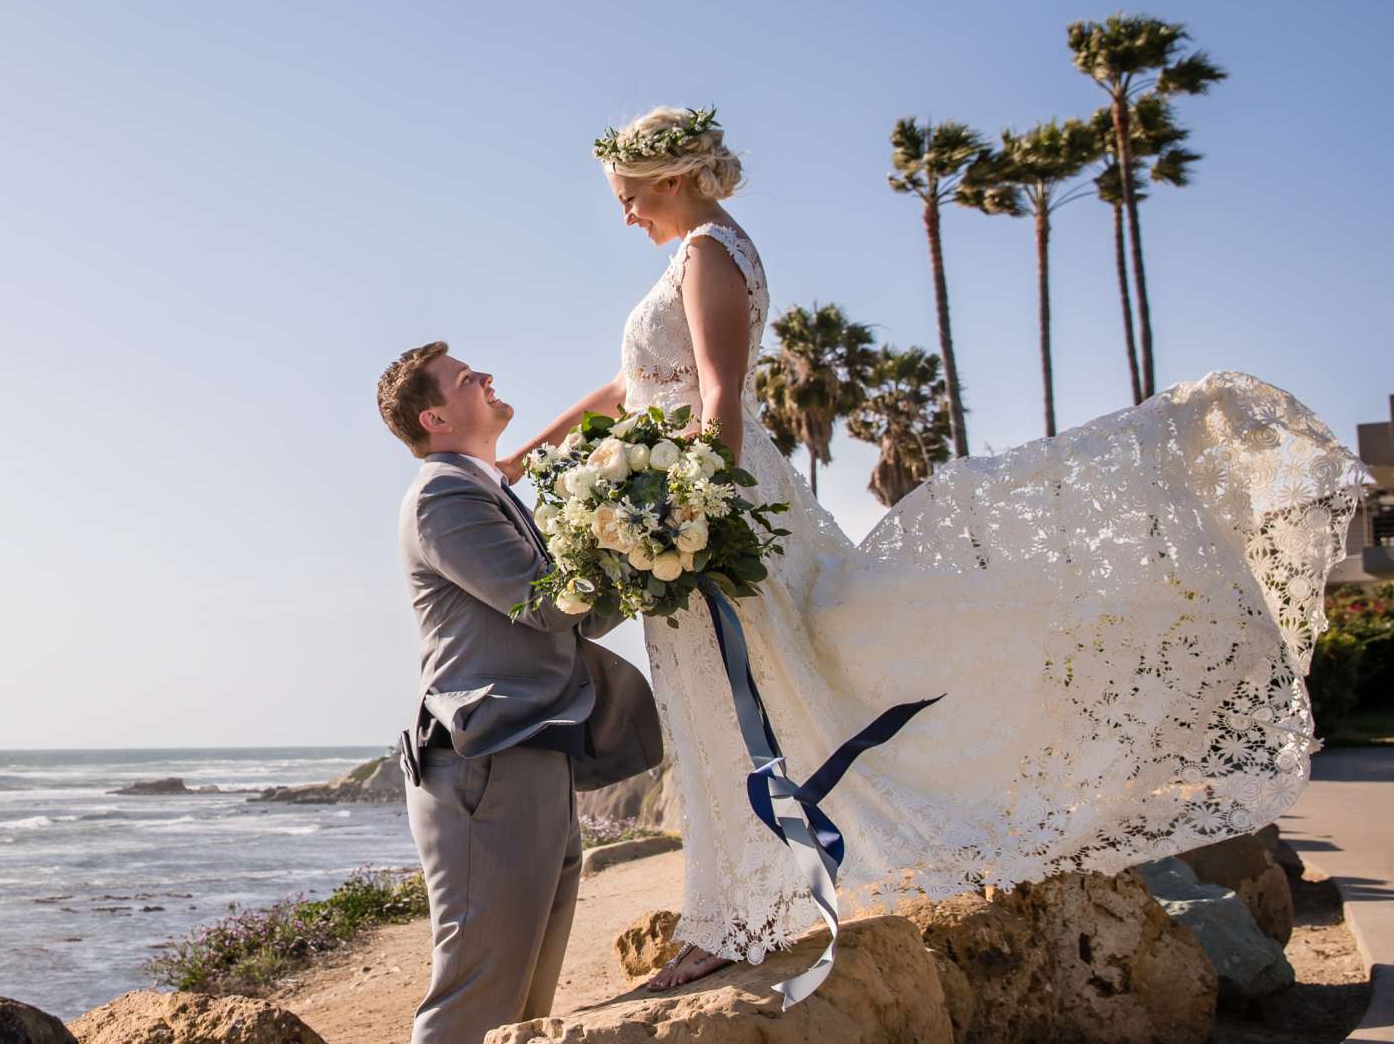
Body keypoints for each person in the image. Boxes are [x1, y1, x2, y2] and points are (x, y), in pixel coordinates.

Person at [499, 105, 1369, 991]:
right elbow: (629, 385)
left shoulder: (709, 255)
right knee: (724, 710)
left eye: (631, 195)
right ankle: (729, 910)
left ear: (674, 179)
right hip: (693, 497)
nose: (626, 214)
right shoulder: (705, 252)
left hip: (710, 510)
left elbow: (718, 399)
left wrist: (685, 514)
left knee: (740, 709)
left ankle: (739, 917)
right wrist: (527, 454)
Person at [378, 341, 659, 1044]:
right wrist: (637, 538)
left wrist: (660, 554)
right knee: (475, 987)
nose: (488, 380)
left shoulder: (487, 488)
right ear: (434, 417)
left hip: (536, 753)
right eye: (467, 380)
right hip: (484, 765)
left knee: (525, 989)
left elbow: (567, 615)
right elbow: (540, 601)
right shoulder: (441, 495)